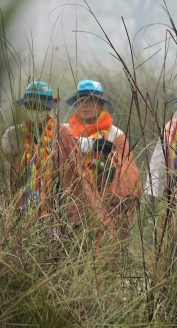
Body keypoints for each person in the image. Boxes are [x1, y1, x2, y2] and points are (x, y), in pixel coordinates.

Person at [65, 79, 139, 241]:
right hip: (70, 202)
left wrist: (108, 164)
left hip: (105, 202)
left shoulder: (115, 134)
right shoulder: (65, 131)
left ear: (100, 104)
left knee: (104, 248)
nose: (85, 105)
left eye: (91, 101)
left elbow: (129, 173)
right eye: (81, 101)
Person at [0, 81, 83, 215]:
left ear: (48, 109)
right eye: (31, 106)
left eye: (41, 107)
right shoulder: (13, 136)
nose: (36, 112)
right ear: (25, 107)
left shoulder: (64, 135)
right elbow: (4, 175)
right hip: (21, 209)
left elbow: (75, 177)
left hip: (55, 210)